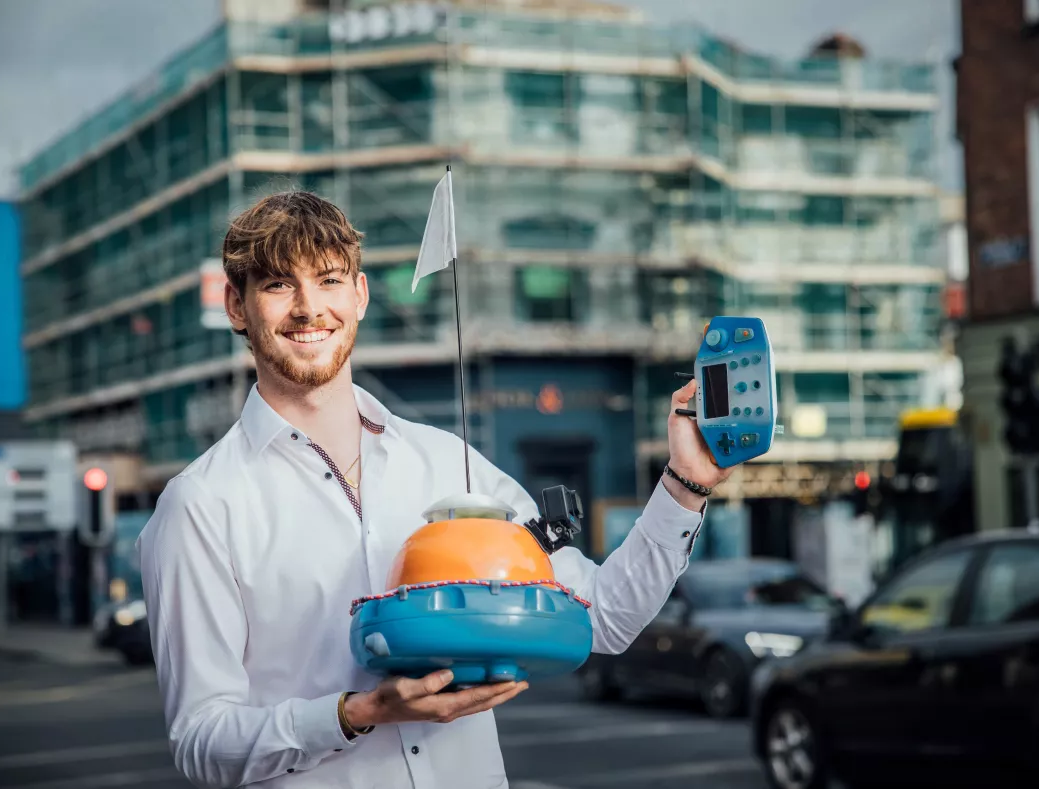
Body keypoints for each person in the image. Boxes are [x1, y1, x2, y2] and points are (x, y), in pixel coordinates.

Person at [138, 191, 734, 789]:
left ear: (360, 295)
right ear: (235, 306)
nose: (308, 307)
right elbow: (201, 740)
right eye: (277, 285)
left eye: (327, 280)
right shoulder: (200, 505)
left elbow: (603, 617)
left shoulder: (449, 463)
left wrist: (685, 486)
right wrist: (357, 713)